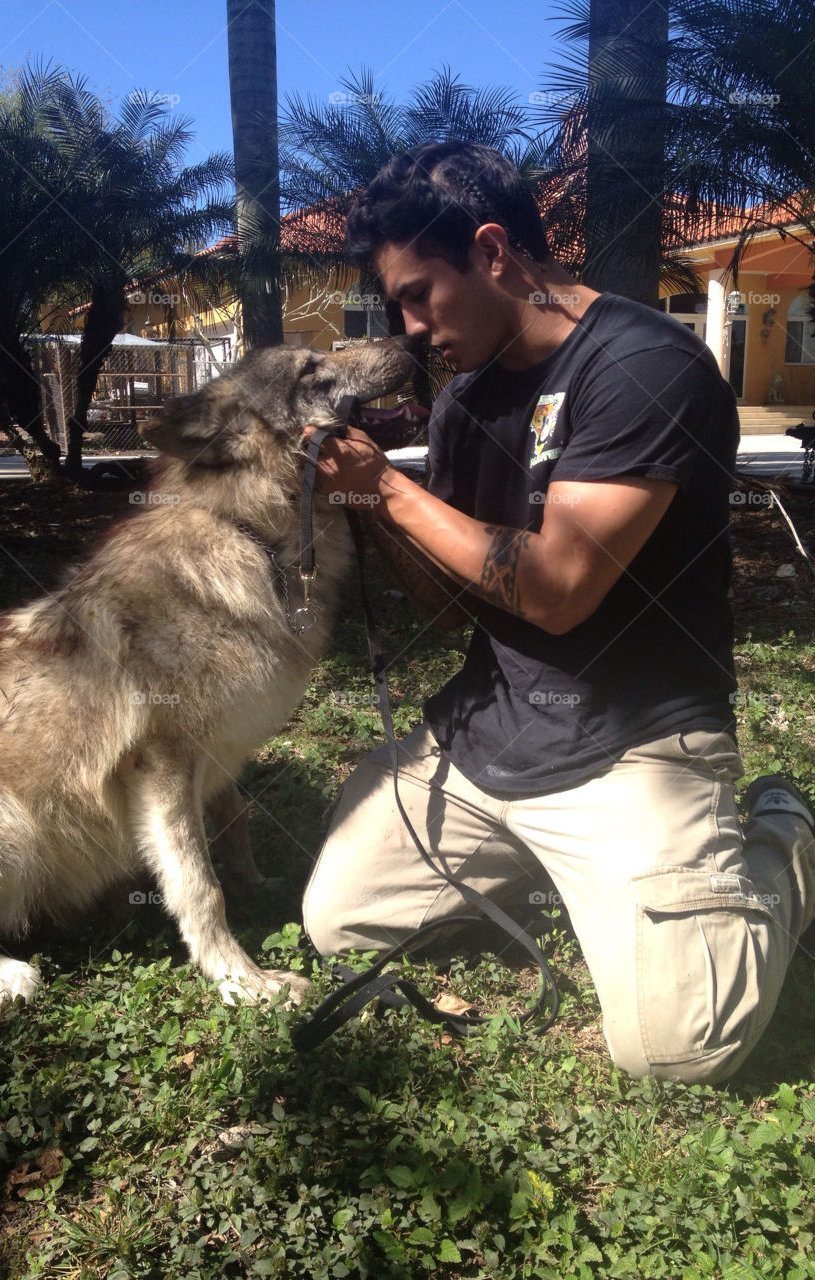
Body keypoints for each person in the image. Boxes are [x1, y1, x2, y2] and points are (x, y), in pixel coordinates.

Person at [300, 142, 814, 1083]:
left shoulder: (647, 366)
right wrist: (363, 503)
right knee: (340, 921)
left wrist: (394, 491)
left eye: (420, 294)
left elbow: (554, 590)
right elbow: (452, 605)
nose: (409, 328)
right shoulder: (464, 406)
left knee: (681, 1049)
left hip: (638, 744)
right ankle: (564, 867)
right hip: (494, 734)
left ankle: (782, 836)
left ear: (493, 253)